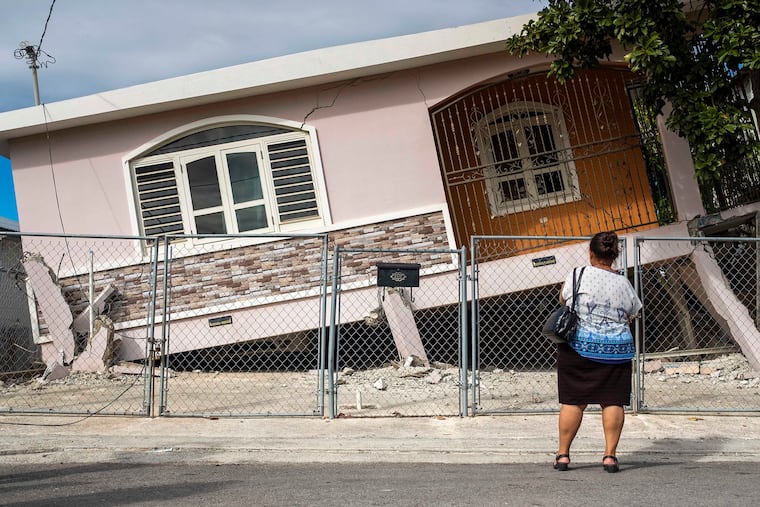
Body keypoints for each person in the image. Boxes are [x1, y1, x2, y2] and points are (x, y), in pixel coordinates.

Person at [553, 231, 642, 473]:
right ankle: (610, 457)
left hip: (577, 349)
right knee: (613, 401)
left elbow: (563, 299)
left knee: (573, 401)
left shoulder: (577, 274)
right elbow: (633, 312)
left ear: (590, 252)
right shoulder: (624, 283)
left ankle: (563, 456)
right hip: (616, 350)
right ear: (614, 255)